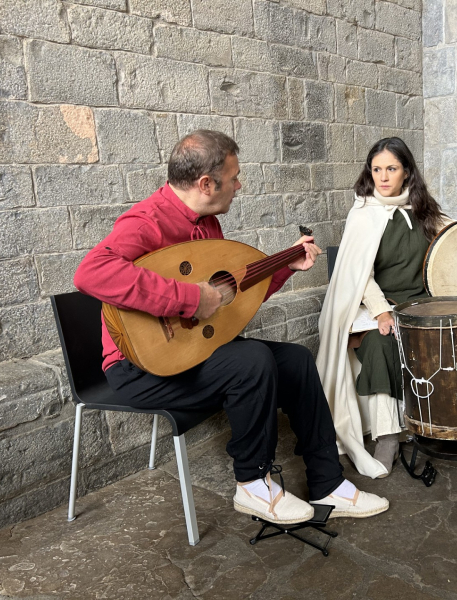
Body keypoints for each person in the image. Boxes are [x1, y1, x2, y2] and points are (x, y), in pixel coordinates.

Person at [74, 130, 388, 525]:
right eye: (234, 177)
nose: (239, 185)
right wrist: (188, 299)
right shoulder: (147, 221)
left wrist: (283, 269)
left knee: (294, 360)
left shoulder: (207, 227)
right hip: (138, 369)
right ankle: (252, 485)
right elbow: (91, 273)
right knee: (251, 360)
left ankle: (328, 484)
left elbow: (229, 303)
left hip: (193, 354)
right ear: (207, 184)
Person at [316, 137, 457, 478]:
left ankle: (446, 419)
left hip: (422, 306)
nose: (382, 176)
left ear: (407, 173)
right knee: (382, 343)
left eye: (391, 169)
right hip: (377, 305)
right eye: (376, 169)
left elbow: (453, 240)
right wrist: (381, 311)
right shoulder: (363, 213)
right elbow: (360, 275)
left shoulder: (422, 208)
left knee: (454, 338)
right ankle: (388, 435)